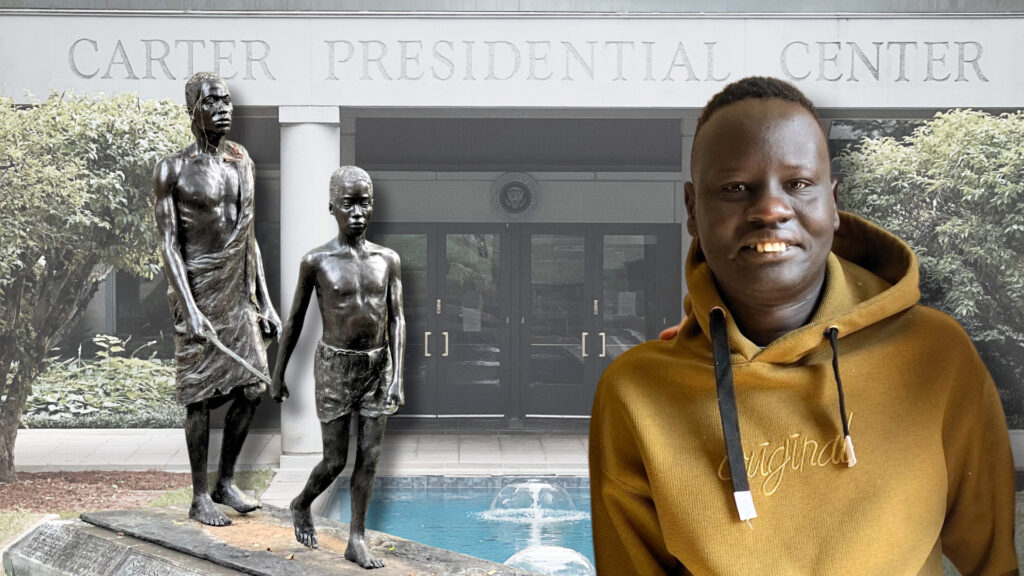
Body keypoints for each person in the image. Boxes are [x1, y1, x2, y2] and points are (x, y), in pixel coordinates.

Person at [589, 76, 1019, 575]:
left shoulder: (935, 356)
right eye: (735, 188)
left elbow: (993, 563)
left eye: (797, 184)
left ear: (832, 203)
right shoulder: (636, 393)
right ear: (692, 209)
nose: (771, 209)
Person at [154, 72, 281, 527]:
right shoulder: (173, 169)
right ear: (194, 109)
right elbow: (169, 245)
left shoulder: (241, 163)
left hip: (236, 294)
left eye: (228, 101)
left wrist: (265, 301)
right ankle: (198, 495)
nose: (225, 108)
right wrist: (189, 309)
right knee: (199, 397)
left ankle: (226, 481)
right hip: (197, 290)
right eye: (213, 101)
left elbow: (249, 239)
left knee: (253, 386)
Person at [271, 166, 405, 568]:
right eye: (348, 204)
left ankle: (356, 537)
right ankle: (301, 503)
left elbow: (397, 318)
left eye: (365, 203)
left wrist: (397, 375)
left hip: (377, 366)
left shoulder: (388, 260)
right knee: (334, 461)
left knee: (369, 456)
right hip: (334, 368)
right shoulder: (316, 261)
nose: (358, 213)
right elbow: (293, 320)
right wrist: (278, 373)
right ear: (332, 207)